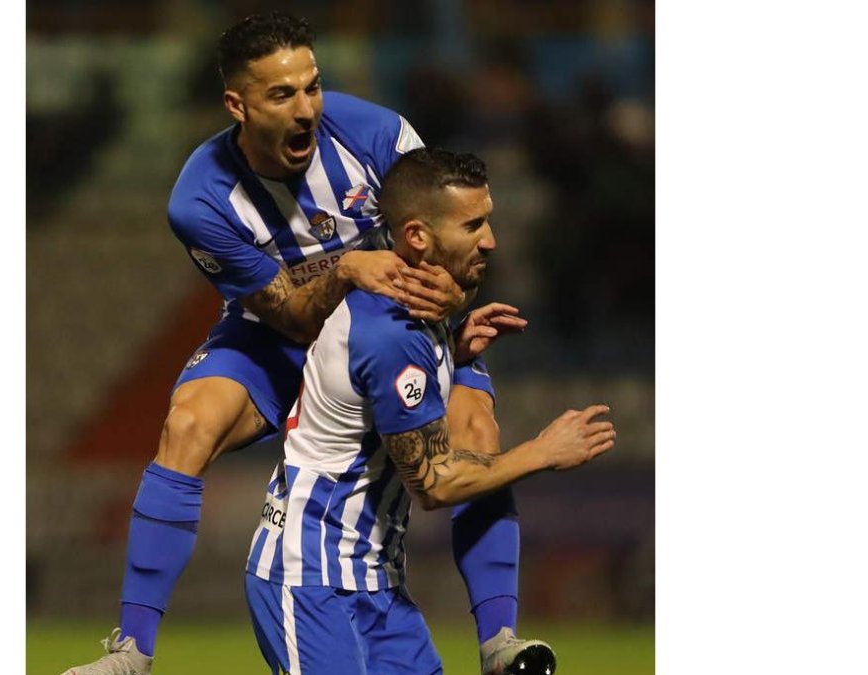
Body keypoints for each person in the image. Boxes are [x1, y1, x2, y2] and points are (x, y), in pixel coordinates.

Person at [62, 12, 539, 675]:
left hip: (391, 329)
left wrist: (453, 308)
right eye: (283, 95)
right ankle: (133, 651)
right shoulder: (200, 199)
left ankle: (499, 642)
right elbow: (287, 316)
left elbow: (449, 236)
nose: (307, 109)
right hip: (279, 335)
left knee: (476, 427)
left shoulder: (377, 135)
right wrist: (346, 267)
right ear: (238, 104)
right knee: (188, 422)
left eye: (312, 86)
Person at [244, 147, 616, 675]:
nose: (490, 240)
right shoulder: (391, 332)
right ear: (417, 236)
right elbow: (435, 483)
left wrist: (453, 350)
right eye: (473, 225)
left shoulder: (421, 304)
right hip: (311, 581)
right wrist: (542, 451)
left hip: (377, 584)